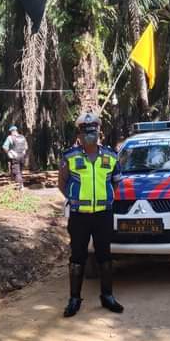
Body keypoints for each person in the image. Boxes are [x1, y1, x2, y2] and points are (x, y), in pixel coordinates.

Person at [58, 112, 123, 318]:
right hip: (79, 216)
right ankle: (74, 299)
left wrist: (106, 199)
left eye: (93, 131)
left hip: (103, 215)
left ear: (99, 132)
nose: (89, 135)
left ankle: (107, 296)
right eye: (85, 132)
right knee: (77, 257)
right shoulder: (70, 156)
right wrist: (75, 198)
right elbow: (62, 183)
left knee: (105, 256)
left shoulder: (111, 156)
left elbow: (115, 182)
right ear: (79, 134)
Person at [2, 125, 28, 190]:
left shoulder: (10, 137)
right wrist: (23, 153)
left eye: (11, 132)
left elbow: (4, 147)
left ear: (11, 131)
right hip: (22, 156)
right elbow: (26, 147)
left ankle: (20, 186)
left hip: (15, 157)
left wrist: (8, 153)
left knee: (16, 172)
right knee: (20, 171)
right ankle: (20, 185)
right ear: (16, 130)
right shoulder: (22, 137)